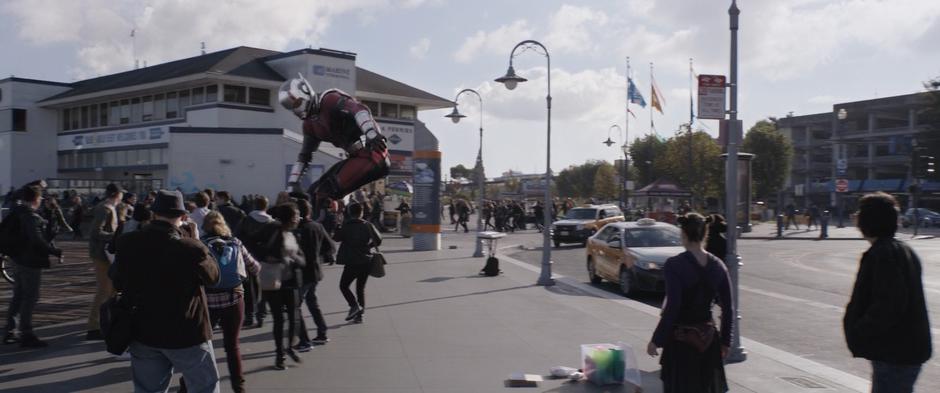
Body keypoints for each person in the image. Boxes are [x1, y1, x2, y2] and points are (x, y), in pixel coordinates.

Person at [110, 190, 221, 393]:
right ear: (183, 217)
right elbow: (213, 279)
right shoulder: (190, 247)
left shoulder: (128, 242)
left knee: (147, 389)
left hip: (142, 330)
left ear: (154, 214)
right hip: (186, 331)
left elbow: (117, 281)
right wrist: (196, 241)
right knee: (204, 387)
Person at [843, 192, 931, 393]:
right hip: (905, 349)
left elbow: (888, 304)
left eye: (860, 213)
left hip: (893, 351)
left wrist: (859, 331)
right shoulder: (902, 249)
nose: (855, 217)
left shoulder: (882, 254)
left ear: (869, 220)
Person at [648, 213, 733, 393]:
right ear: (705, 234)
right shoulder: (719, 265)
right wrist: (726, 341)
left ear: (684, 235)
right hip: (709, 341)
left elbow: (673, 306)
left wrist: (657, 340)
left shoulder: (674, 265)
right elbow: (728, 307)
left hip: (681, 343)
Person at [279, 75, 390, 212]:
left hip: (372, 153)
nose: (297, 109)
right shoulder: (310, 125)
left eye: (297, 103)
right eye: (293, 107)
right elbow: (305, 156)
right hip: (356, 157)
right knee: (312, 193)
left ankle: (327, 229)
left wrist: (371, 133)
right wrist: (293, 183)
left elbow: (359, 110)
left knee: (325, 193)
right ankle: (312, 228)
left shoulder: (330, 100)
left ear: (305, 92)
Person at [201, 211, 260, 393]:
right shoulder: (235, 243)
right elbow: (255, 267)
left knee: (201, 346)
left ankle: (189, 385)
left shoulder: (201, 245)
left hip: (208, 303)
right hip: (234, 299)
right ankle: (238, 387)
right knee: (232, 346)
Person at [3, 185, 62, 348]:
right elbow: (38, 239)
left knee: (18, 295)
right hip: (29, 261)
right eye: (41, 197)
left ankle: (10, 330)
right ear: (36, 199)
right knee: (30, 297)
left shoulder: (17, 211)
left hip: (16, 259)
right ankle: (26, 334)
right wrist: (54, 251)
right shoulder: (30, 216)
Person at [254, 203, 306, 370]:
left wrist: (292, 258)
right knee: (279, 319)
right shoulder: (270, 230)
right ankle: (280, 355)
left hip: (290, 281)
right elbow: (251, 244)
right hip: (272, 280)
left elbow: (302, 260)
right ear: (291, 218)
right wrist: (270, 257)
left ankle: (289, 347)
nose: (299, 219)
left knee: (294, 317)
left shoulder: (293, 235)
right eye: (297, 216)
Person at [293, 199, 336, 352]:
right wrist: (319, 256)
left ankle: (304, 340)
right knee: (312, 301)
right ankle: (322, 332)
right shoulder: (317, 226)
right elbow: (330, 246)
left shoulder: (297, 229)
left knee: (294, 306)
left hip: (301, 273)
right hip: (316, 270)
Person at [86, 183, 124, 341]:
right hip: (102, 254)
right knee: (104, 290)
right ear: (117, 194)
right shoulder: (105, 208)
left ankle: (105, 321)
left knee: (112, 289)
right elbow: (95, 231)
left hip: (105, 253)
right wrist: (114, 236)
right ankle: (94, 327)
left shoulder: (107, 207)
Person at [334, 202, 381, 324]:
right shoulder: (367, 225)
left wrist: (338, 226)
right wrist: (368, 246)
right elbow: (378, 239)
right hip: (366, 261)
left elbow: (336, 238)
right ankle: (360, 315)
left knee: (343, 286)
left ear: (350, 213)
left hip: (351, 261)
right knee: (360, 288)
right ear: (361, 213)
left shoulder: (346, 226)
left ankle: (354, 306)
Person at [237, 195, 275, 328]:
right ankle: (261, 315)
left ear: (254, 205)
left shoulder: (246, 219)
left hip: (249, 257)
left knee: (249, 288)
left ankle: (249, 315)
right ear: (266, 206)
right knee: (264, 287)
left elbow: (238, 237)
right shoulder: (271, 222)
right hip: (265, 258)